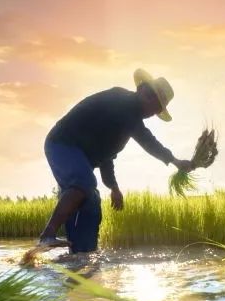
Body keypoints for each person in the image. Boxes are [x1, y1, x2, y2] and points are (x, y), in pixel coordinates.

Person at [37, 68, 194, 253]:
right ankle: (47, 236)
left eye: (159, 107)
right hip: (61, 143)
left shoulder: (125, 125)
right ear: (142, 90)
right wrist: (174, 161)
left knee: (91, 202)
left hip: (79, 158)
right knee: (83, 183)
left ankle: (80, 255)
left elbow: (106, 157)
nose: (154, 109)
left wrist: (113, 187)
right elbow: (146, 139)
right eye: (153, 99)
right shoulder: (121, 101)